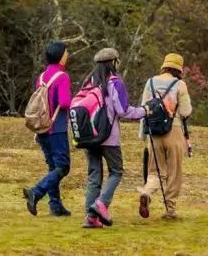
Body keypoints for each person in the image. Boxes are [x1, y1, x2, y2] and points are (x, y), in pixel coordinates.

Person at [79, 47, 146, 229]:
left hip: (89, 136)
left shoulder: (88, 82)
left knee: (94, 175)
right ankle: (101, 204)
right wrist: (145, 111)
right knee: (116, 171)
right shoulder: (115, 82)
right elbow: (124, 111)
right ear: (114, 62)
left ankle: (90, 217)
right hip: (109, 137)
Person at [137, 53, 193, 221]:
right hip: (174, 131)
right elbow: (185, 111)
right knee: (174, 173)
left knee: (155, 171)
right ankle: (170, 210)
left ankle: (147, 192)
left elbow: (143, 109)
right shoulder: (180, 84)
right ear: (178, 69)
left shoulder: (150, 82)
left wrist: (143, 135)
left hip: (154, 134)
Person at [23, 39, 72, 218]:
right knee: (63, 167)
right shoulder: (62, 76)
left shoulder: (42, 77)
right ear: (60, 56)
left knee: (52, 167)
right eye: (66, 53)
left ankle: (55, 205)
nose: (67, 55)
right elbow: (65, 102)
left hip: (42, 128)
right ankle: (36, 192)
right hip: (56, 128)